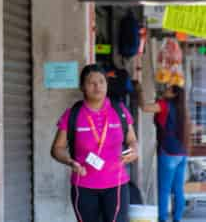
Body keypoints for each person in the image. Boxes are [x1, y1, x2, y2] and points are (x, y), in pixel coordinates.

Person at [51, 64, 138, 222]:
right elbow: (57, 148)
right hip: (83, 186)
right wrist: (70, 161)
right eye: (91, 82)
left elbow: (132, 140)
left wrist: (133, 150)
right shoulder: (72, 114)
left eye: (101, 81)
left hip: (116, 184)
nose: (97, 86)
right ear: (82, 87)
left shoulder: (120, 111)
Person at [135, 83, 191, 222]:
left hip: (168, 153)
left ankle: (163, 219)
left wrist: (139, 90)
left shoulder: (164, 105)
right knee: (178, 189)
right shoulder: (183, 110)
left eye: (168, 88)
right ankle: (177, 219)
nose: (165, 89)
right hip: (182, 154)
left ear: (174, 94)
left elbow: (144, 107)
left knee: (164, 190)